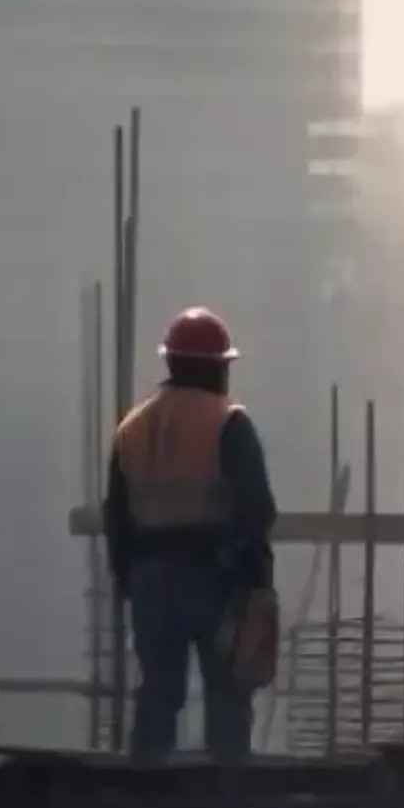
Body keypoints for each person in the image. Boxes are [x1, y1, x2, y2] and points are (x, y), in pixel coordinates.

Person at [102, 306, 281, 765]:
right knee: (226, 692)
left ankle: (143, 798)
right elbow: (257, 509)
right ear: (217, 367)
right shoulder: (227, 423)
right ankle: (225, 805)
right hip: (212, 575)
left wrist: (126, 577)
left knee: (159, 693)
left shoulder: (132, 429)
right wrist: (257, 582)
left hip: (149, 579)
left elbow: (116, 516)